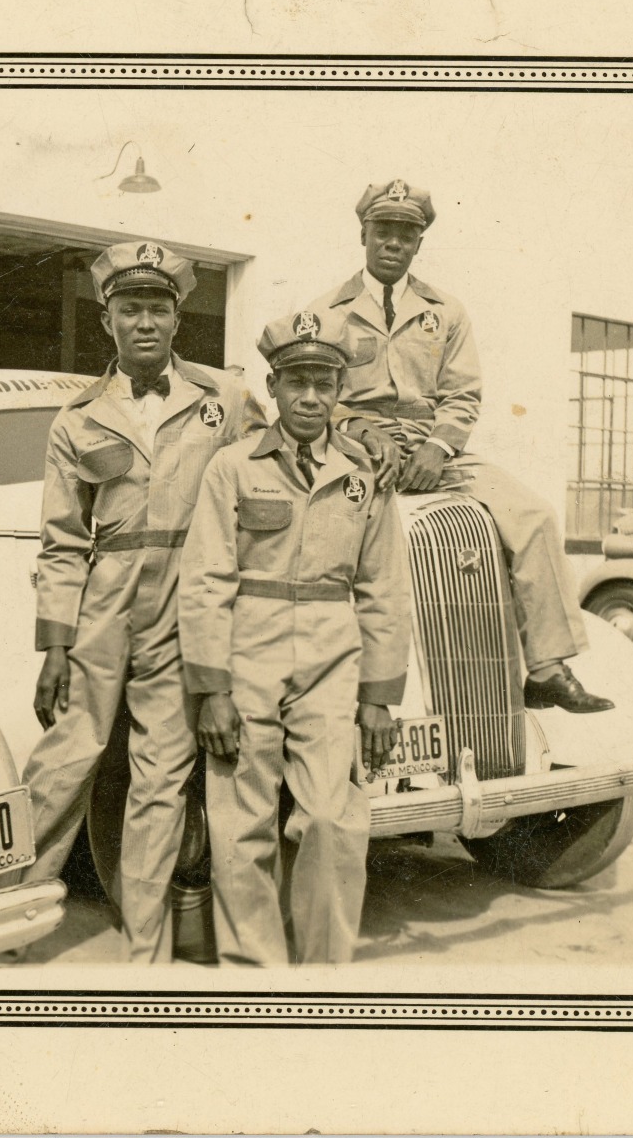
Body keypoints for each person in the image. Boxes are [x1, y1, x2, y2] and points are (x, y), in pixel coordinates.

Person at [20, 240, 267, 963]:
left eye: (158, 308)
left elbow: (264, 480)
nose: (145, 322)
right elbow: (63, 541)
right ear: (107, 321)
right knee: (66, 758)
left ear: (176, 318)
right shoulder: (76, 419)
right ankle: (0, 927)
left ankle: (145, 953)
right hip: (105, 601)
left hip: (188, 598)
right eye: (130, 309)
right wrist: (55, 647)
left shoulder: (223, 399)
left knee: (162, 775)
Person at [307, 179, 614, 714]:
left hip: (431, 444)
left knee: (533, 513)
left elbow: (463, 394)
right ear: (363, 233)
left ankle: (545, 668)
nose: (394, 243)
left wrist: (439, 448)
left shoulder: (445, 311)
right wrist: (359, 430)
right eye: (384, 230)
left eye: (407, 234)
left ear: (420, 244)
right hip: (357, 445)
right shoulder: (325, 312)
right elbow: (316, 396)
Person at [180, 310, 411, 965]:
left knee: (333, 820)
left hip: (332, 658)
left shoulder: (363, 479)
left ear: (340, 391)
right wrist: (211, 688)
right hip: (245, 650)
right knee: (239, 824)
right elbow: (204, 579)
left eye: (324, 383)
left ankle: (322, 979)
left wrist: (378, 695)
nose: (310, 397)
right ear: (273, 387)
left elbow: (383, 589)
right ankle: (254, 975)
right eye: (296, 382)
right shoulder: (230, 468)